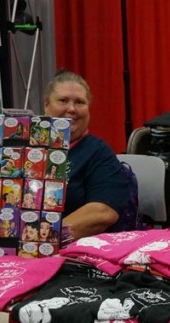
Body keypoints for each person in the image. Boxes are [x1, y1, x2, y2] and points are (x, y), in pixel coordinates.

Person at [43, 70, 129, 240]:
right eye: (63, 100)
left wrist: (45, 237)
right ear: (46, 105)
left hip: (70, 250)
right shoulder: (26, 149)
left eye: (80, 102)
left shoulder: (99, 153)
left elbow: (104, 212)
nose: (72, 109)